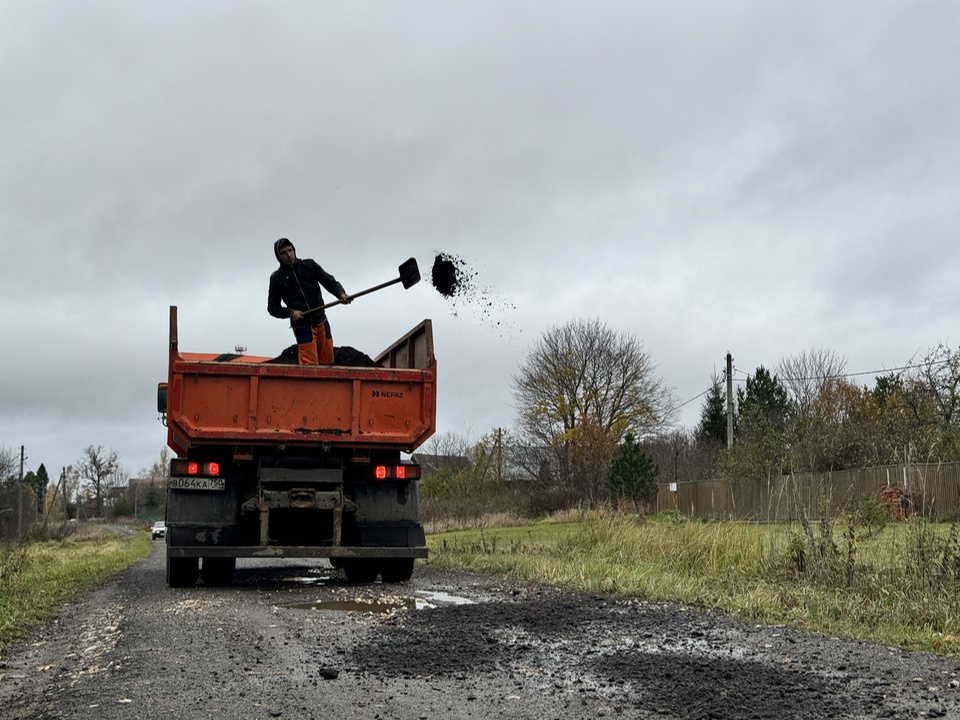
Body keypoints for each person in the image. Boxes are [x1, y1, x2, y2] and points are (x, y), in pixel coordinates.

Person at [267, 238, 352, 365]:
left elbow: (329, 281)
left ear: (294, 250)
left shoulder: (309, 266)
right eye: (284, 253)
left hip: (321, 321)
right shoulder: (276, 278)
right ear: (279, 257)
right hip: (303, 327)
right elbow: (272, 308)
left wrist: (341, 293)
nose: (289, 255)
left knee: (328, 362)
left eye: (290, 250)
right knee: (309, 367)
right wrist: (291, 313)